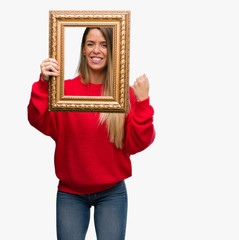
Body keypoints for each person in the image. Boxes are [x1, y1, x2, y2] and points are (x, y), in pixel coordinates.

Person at [27, 27, 155, 240]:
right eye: (90, 44)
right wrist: (43, 83)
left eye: (104, 44)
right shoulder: (64, 92)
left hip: (112, 192)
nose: (97, 50)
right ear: (83, 50)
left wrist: (142, 103)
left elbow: (137, 143)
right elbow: (38, 120)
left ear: (113, 51)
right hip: (70, 193)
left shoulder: (124, 95)